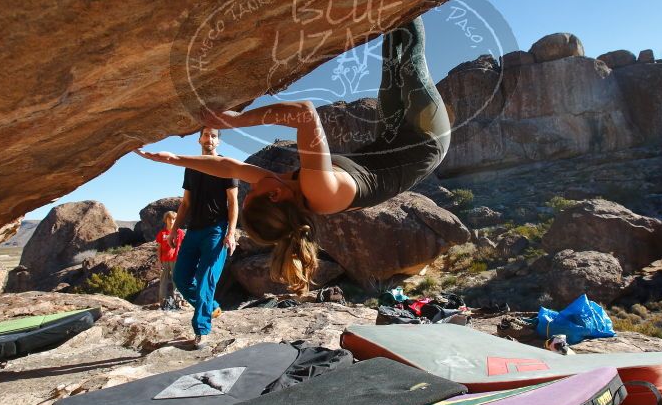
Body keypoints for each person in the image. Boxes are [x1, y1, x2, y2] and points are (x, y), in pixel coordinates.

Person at [137, 16, 450, 295]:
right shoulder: (320, 189)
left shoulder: (287, 190)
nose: (255, 181)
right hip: (426, 138)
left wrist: (173, 159)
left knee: (391, 50)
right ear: (274, 196)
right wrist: (235, 120)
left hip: (392, 132)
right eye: (256, 190)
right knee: (409, 54)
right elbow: (304, 113)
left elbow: (228, 166)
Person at [165, 128, 239, 348]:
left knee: (206, 278)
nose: (209, 139)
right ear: (199, 139)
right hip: (193, 230)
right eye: (206, 135)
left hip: (216, 231)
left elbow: (233, 202)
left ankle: (201, 330)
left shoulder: (227, 165)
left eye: (214, 136)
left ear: (218, 141)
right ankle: (211, 307)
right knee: (180, 277)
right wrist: (173, 230)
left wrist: (231, 233)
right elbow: (185, 203)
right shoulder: (192, 166)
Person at [155, 211, 184, 304]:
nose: (171, 221)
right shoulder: (162, 233)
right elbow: (159, 249)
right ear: (165, 220)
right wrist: (159, 261)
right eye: (169, 219)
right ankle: (163, 301)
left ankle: (178, 300)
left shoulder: (180, 232)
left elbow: (184, 247)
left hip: (176, 260)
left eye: (174, 219)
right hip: (164, 260)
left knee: (177, 280)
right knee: (163, 280)